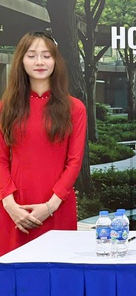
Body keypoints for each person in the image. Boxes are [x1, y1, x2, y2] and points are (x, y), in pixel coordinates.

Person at [0, 31, 87, 255]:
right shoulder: (6, 108)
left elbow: (74, 162)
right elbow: (0, 159)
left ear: (56, 61)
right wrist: (9, 204)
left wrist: (51, 206)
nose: (39, 62)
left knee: (59, 269)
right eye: (32, 55)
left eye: (46, 56)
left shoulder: (74, 108)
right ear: (21, 61)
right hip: (15, 209)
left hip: (58, 205)